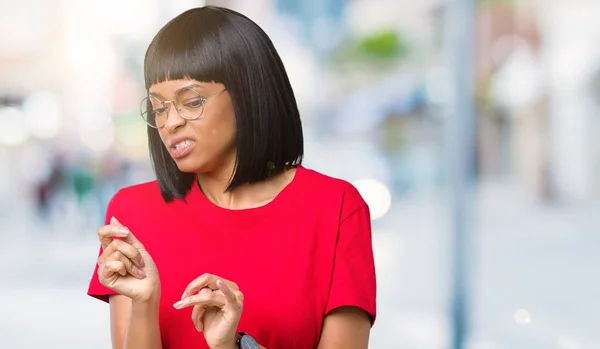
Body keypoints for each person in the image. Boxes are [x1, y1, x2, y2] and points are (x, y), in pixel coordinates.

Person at [87, 6, 376, 349]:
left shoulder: (336, 208)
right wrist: (144, 304)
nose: (171, 122)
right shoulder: (133, 214)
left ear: (247, 92)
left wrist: (230, 346)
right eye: (159, 107)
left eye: (190, 101)